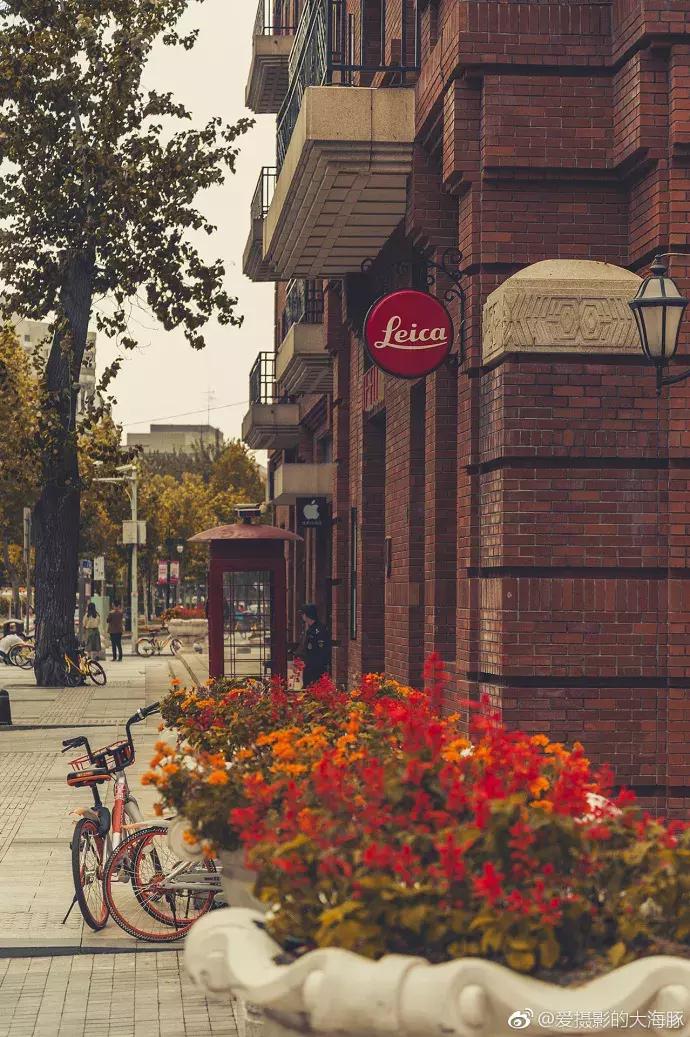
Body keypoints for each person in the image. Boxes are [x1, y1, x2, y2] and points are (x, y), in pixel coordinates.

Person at [296, 604, 331, 687]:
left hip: (317, 666)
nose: (302, 616)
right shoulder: (310, 629)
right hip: (309, 664)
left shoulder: (319, 629)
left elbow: (321, 649)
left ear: (307, 615)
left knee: (313, 688)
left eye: (303, 614)